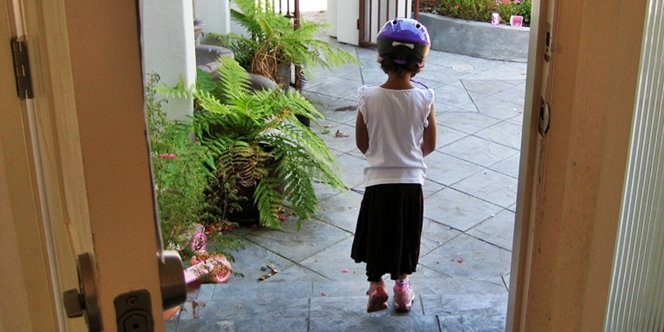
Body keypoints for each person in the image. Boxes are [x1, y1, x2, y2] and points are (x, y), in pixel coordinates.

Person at [350, 17, 437, 313]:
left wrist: (381, 156)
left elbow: (362, 143)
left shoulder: (368, 97)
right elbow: (430, 144)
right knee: (405, 235)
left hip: (378, 183)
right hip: (411, 183)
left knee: (377, 233)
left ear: (381, 60)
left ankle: (376, 286)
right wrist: (409, 157)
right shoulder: (425, 98)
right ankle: (402, 289)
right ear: (419, 64)